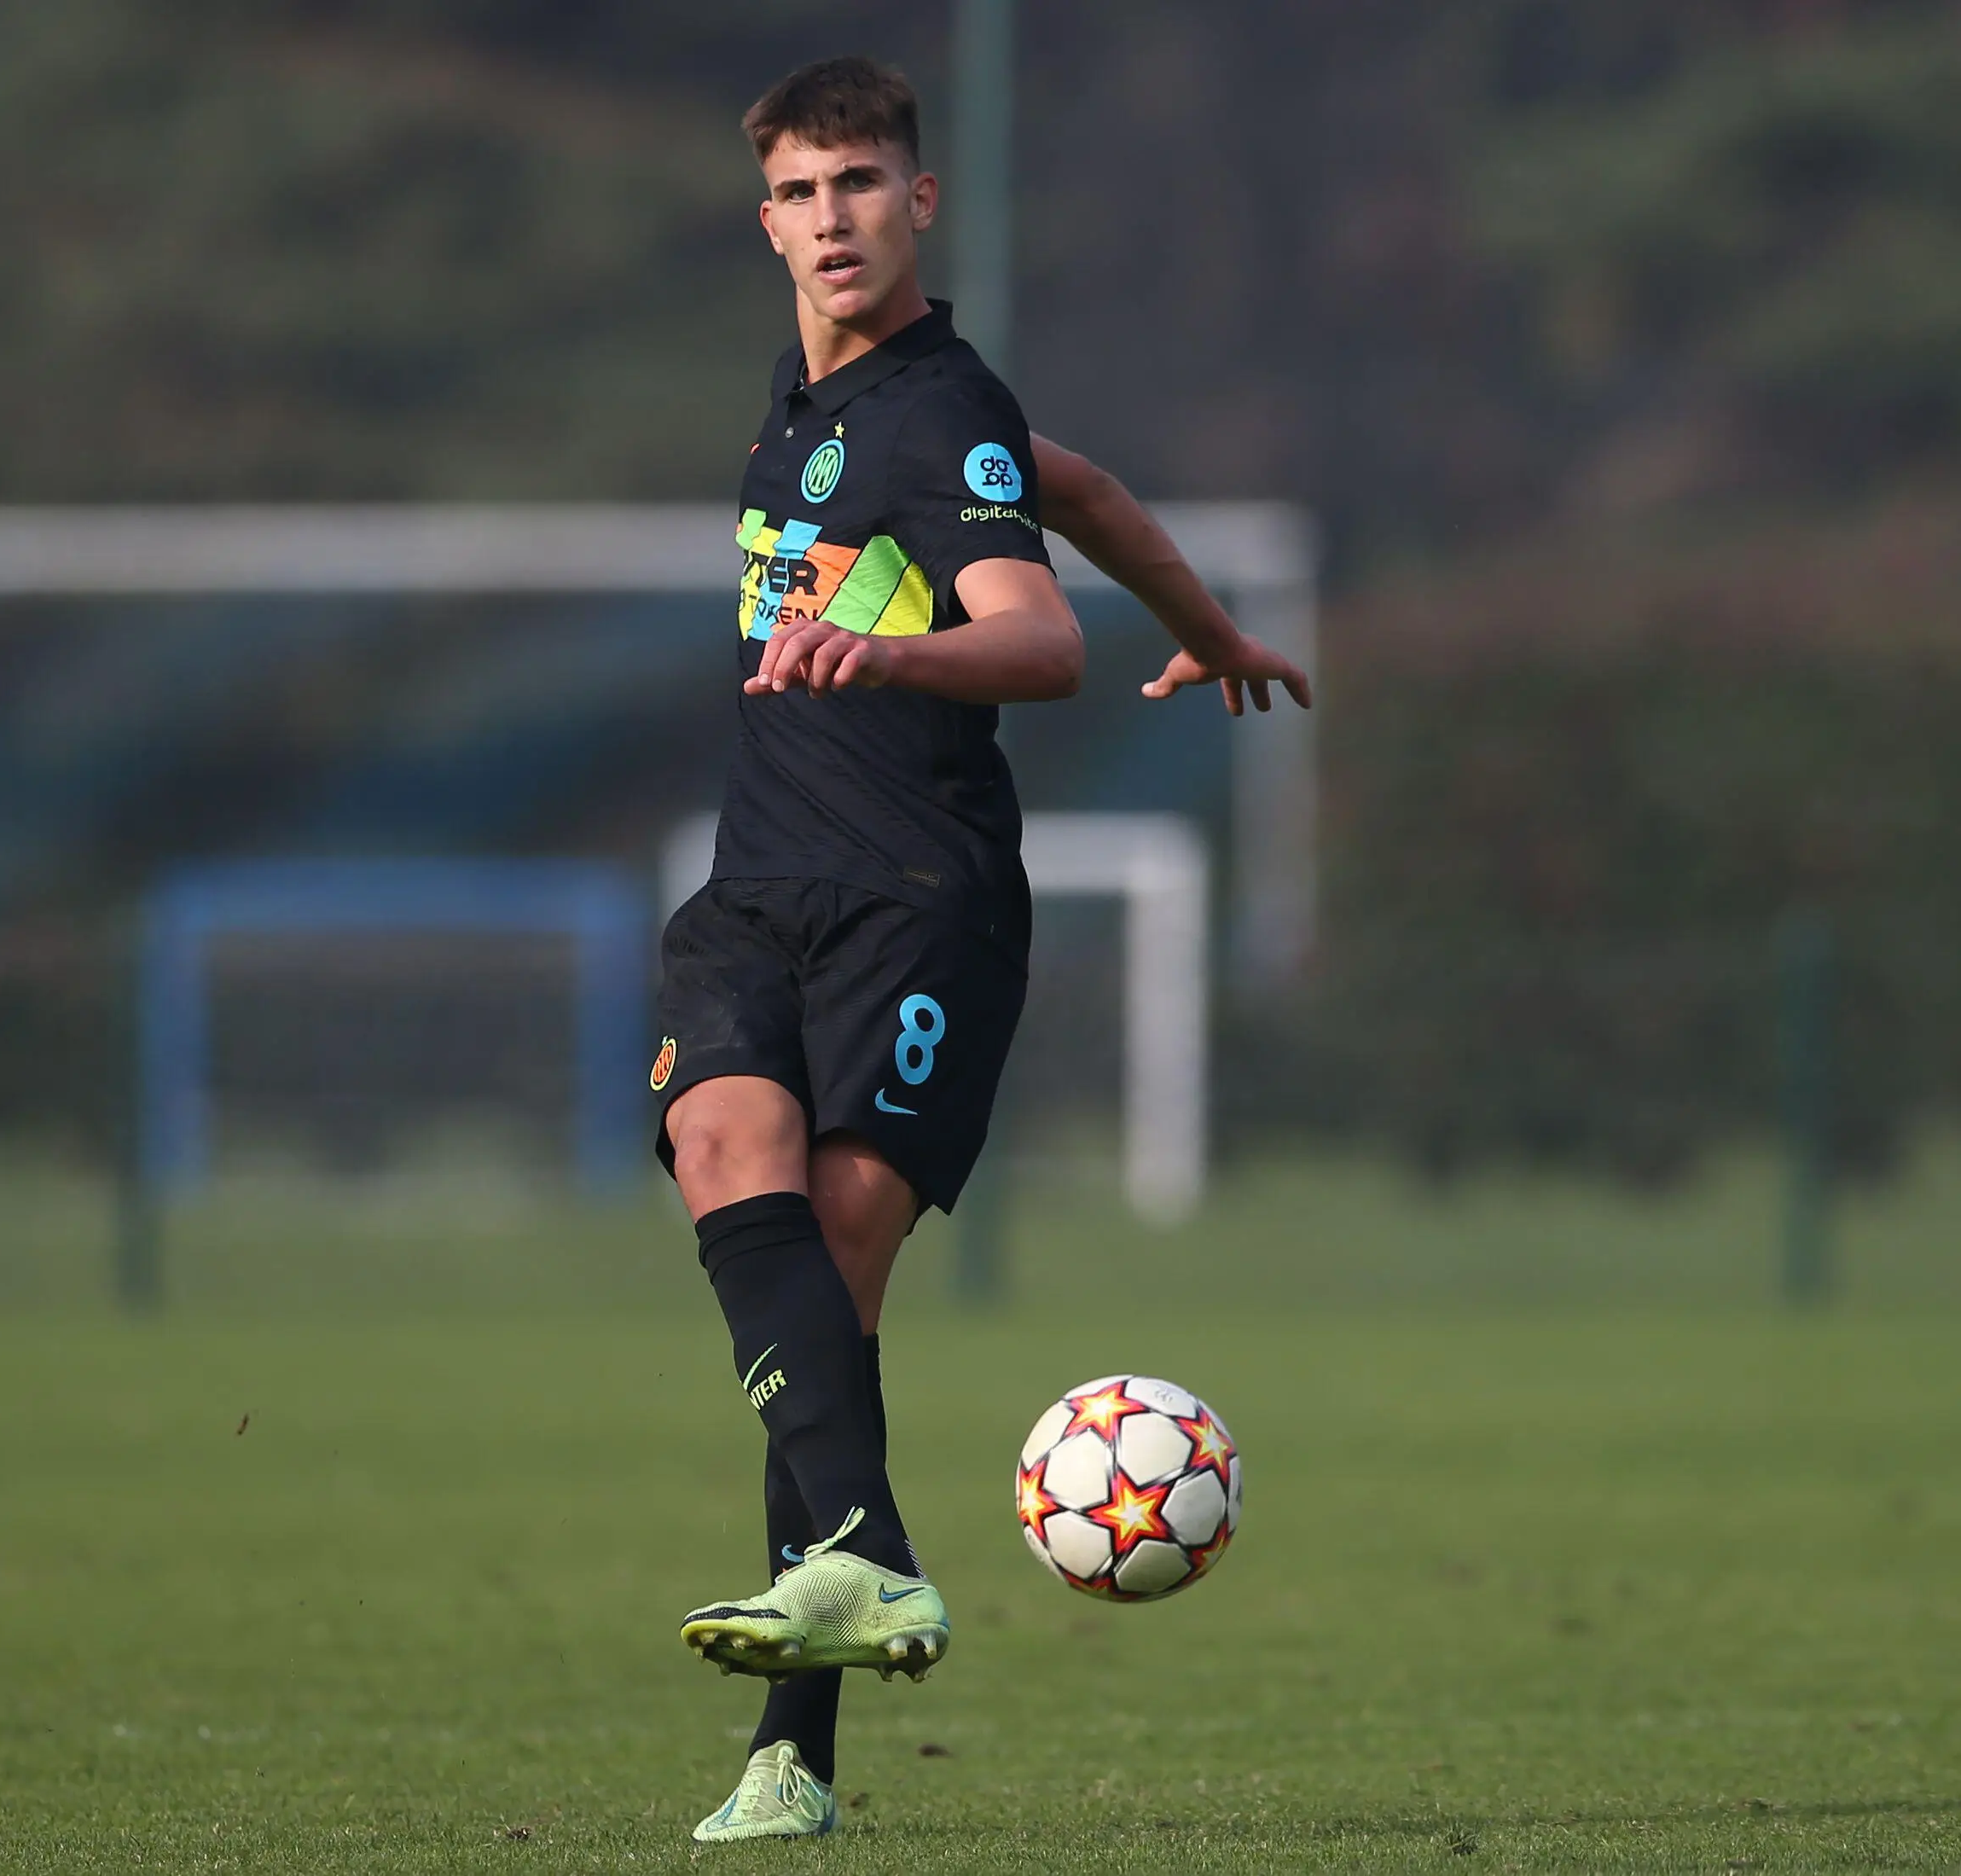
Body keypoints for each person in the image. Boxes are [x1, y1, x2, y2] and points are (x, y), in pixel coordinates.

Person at [655, 55, 1310, 1846]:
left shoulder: (936, 406)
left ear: (916, 202)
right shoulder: (806, 397)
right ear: (765, 216)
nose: (828, 219)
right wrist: (1217, 623)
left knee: (828, 1289)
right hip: (758, 883)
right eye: (796, 191)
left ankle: (794, 1748)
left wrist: (890, 652)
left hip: (913, 898)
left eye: (858, 183)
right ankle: (862, 1570)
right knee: (734, 1180)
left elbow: (1036, 643)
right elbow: (1080, 487)